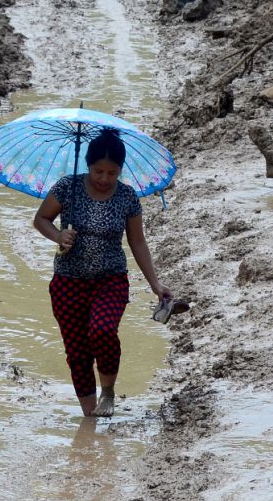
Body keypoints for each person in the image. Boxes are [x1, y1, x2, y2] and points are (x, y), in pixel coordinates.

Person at [33, 127, 170, 417]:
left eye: (112, 173)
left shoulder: (127, 197)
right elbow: (41, 219)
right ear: (88, 165)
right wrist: (58, 236)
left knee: (103, 330)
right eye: (98, 172)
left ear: (120, 170)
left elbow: (137, 241)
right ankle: (89, 417)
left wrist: (155, 284)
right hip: (68, 282)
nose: (104, 179)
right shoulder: (67, 187)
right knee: (77, 351)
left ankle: (107, 392)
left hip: (110, 280)